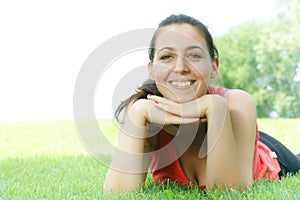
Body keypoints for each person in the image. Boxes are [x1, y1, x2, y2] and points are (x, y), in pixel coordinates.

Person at [103, 14, 300, 193]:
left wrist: (215, 107)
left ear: (214, 67)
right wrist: (137, 113)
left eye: (194, 55)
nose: (180, 68)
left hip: (262, 149)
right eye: (166, 57)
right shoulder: (143, 109)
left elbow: (229, 193)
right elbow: (117, 193)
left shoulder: (236, 104)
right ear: (151, 70)